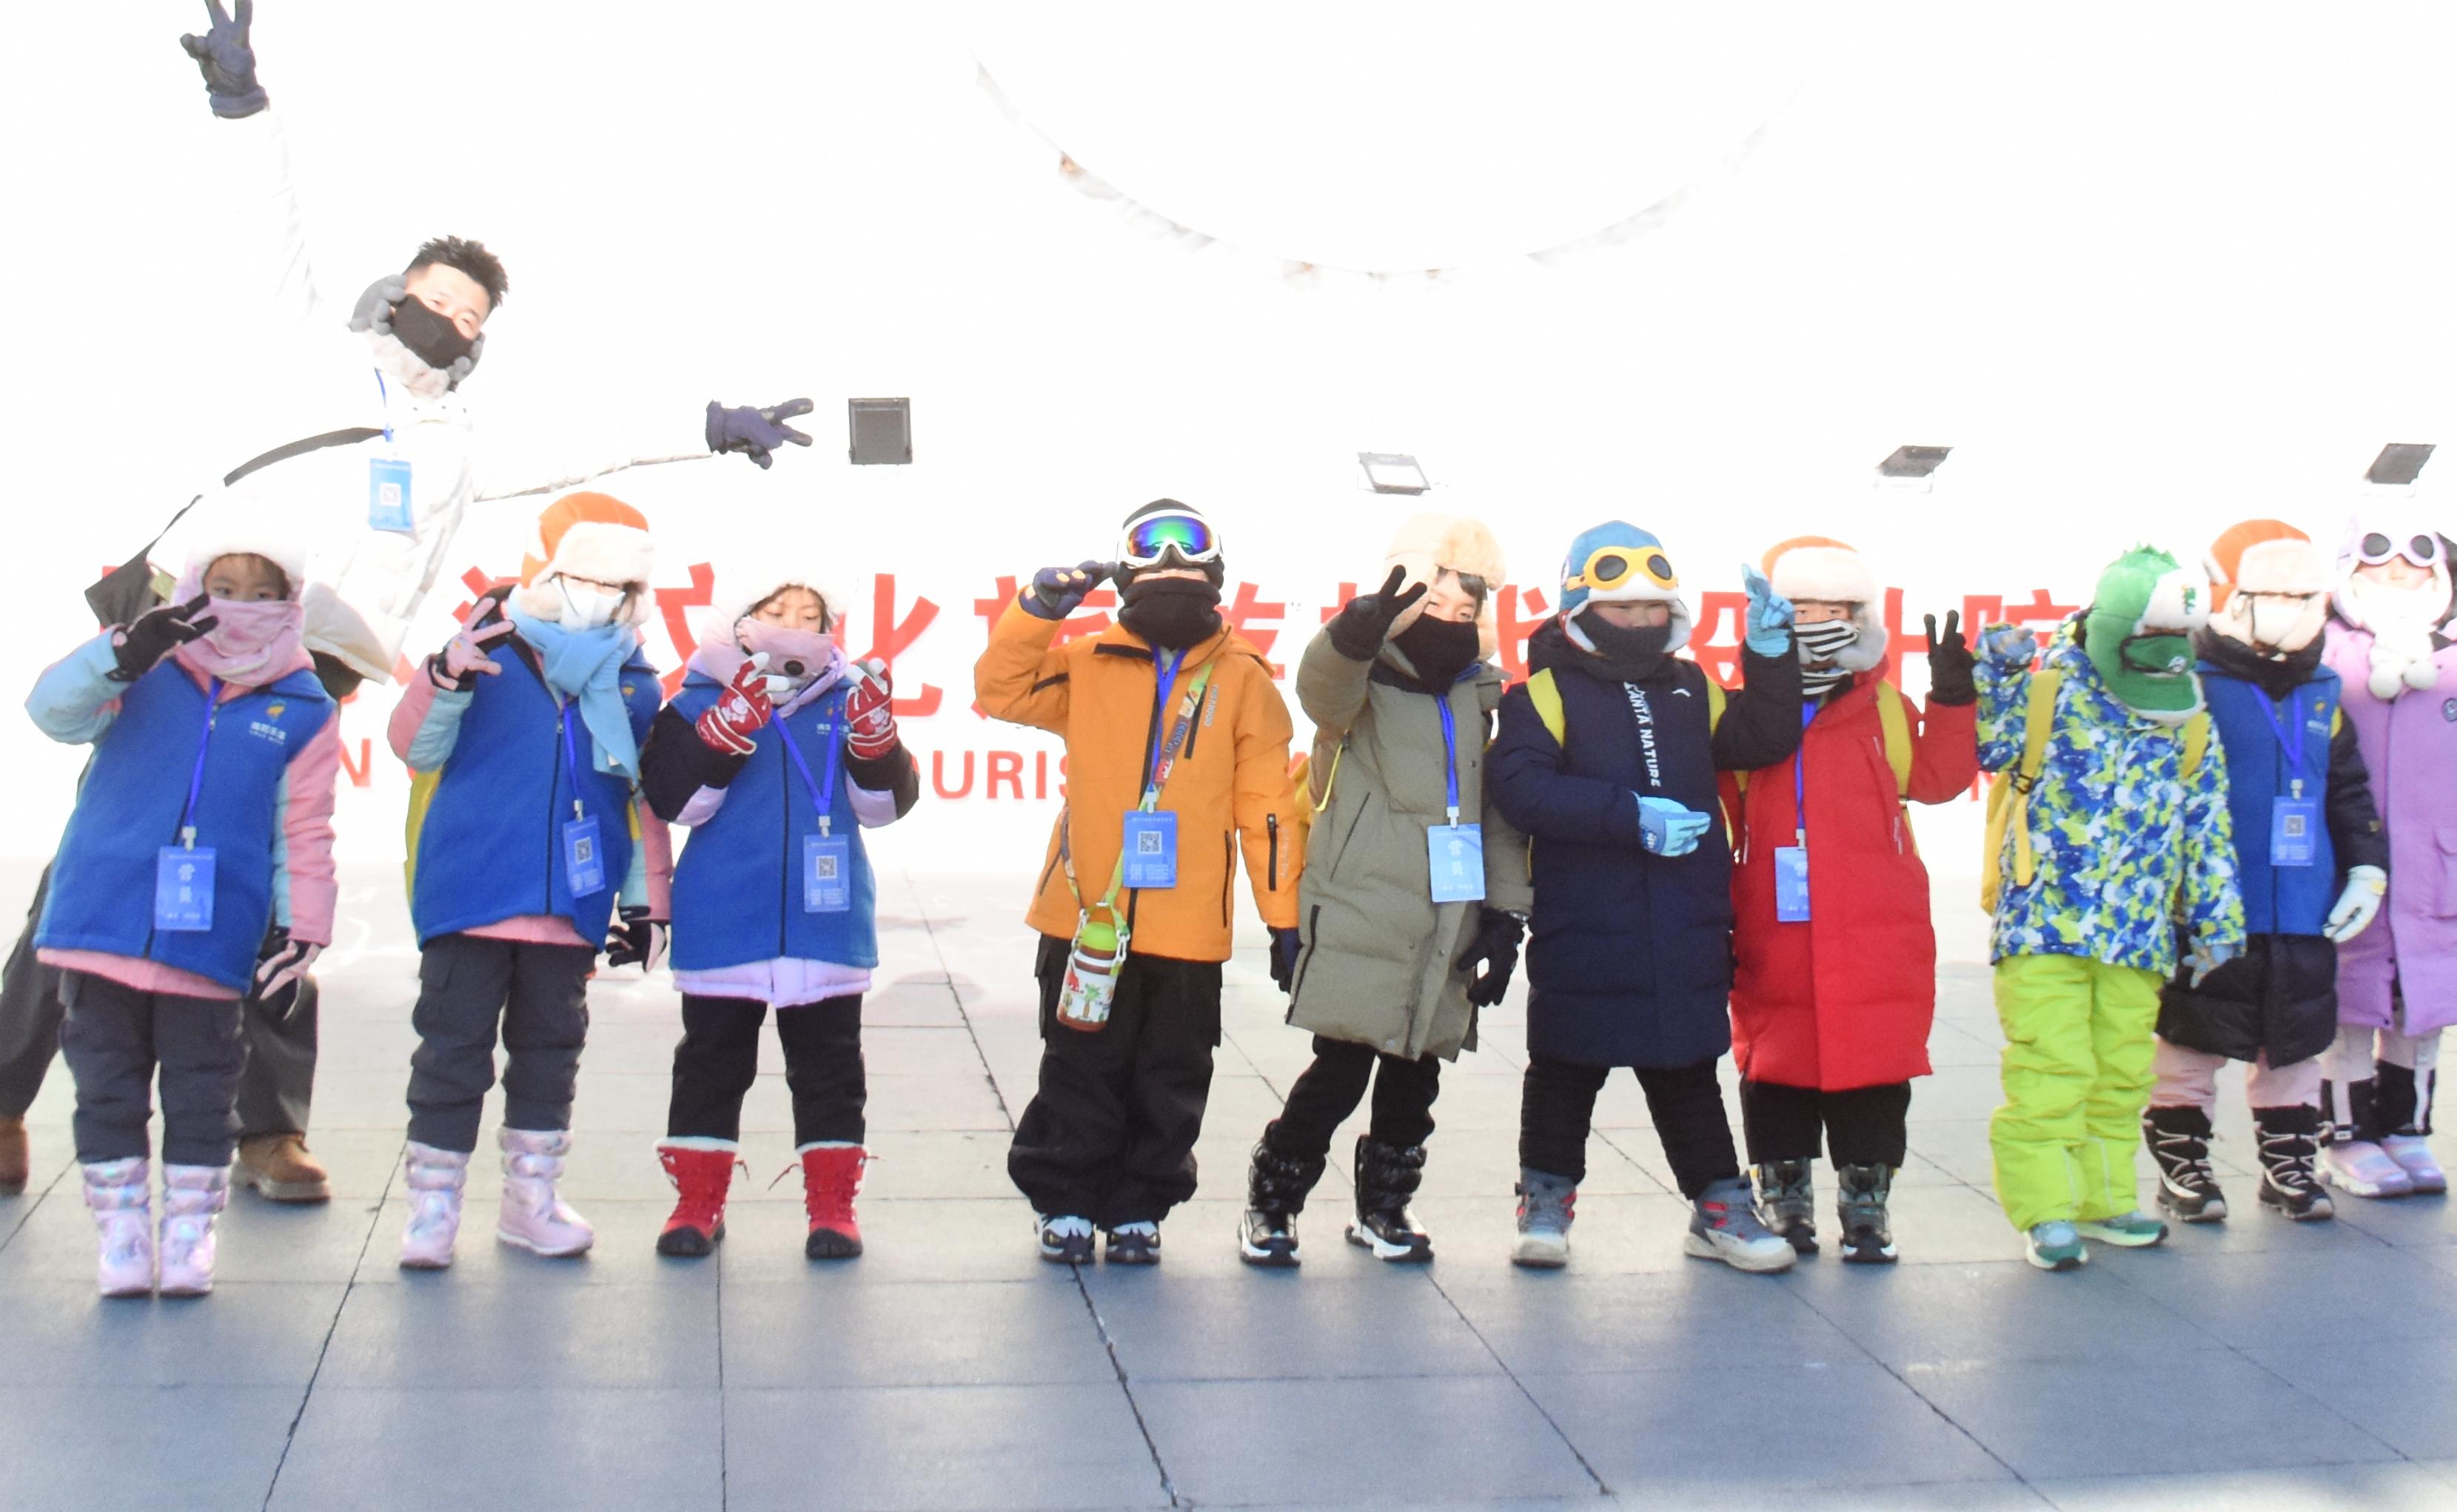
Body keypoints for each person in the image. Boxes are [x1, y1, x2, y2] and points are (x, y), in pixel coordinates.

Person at [0, 0, 814, 1204]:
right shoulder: (304, 356)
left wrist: (707, 427)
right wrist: (242, 105)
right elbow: (268, 227)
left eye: (473, 315)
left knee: (277, 867)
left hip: (310, 665)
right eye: (439, 296)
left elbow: (590, 438)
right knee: (102, 855)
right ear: (395, 296)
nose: (453, 318)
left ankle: (267, 1129)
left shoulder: (459, 442)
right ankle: (4, 1095)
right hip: (191, 632)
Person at [978, 500, 1305, 1265]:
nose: (1171, 563)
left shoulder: (1244, 678)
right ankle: (1064, 1198)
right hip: (1084, 913)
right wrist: (1036, 611)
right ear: (1123, 574)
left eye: (1189, 551)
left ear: (1216, 572)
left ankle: (1138, 1207)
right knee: (1078, 1064)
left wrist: (1285, 919)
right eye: (1151, 550)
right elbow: (1001, 689)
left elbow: (1267, 810)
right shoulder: (1087, 662)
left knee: (1171, 1074)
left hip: (1187, 926)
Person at [1486, 522, 1806, 1273]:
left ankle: (1719, 1208)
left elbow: (1762, 737)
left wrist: (1769, 653)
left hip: (1684, 921)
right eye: (1620, 606)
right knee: (1564, 1067)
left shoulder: (1692, 686)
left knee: (1687, 1069)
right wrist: (1626, 815)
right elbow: (1521, 787)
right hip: (1584, 921)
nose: (1638, 619)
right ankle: (1545, 1200)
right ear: (1580, 608)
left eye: (1652, 606)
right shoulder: (1541, 694)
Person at [28, 536, 338, 1294]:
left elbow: (304, 827)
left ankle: (191, 1233)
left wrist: (303, 926)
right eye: (223, 587)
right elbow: (53, 712)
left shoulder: (304, 705)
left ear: (289, 603)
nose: (241, 605)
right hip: (102, 923)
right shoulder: (146, 667)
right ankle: (123, 1234)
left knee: (204, 1093)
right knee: (106, 1089)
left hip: (210, 940)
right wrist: (120, 653)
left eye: (262, 593)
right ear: (194, 587)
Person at [383, 494, 669, 1269]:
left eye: (617, 585)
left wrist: (646, 903)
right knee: (450, 1052)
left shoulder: (635, 680)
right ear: (548, 570)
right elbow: (415, 748)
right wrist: (445, 677)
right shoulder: (486, 646)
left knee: (550, 1053)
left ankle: (530, 1201)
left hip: (570, 905)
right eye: (586, 577)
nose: (599, 596)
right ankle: (432, 1208)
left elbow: (639, 798)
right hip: (470, 894)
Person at [1239, 514, 1529, 1266]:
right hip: (1363, 906)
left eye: (1465, 610)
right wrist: (1352, 633)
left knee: (1415, 1078)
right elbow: (1320, 689)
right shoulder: (1364, 681)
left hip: (1447, 916)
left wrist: (1505, 915)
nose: (1449, 621)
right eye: (1434, 604)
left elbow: (1496, 816)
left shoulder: (1482, 694)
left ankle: (1385, 1208)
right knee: (1337, 1073)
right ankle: (1272, 1204)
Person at [1976, 544, 2246, 1271]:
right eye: (2150, 636)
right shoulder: (2049, 688)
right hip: (2044, 924)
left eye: (2178, 639)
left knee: (2122, 1072)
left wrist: (2218, 921)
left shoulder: (2187, 713)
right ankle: (2045, 1208)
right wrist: (1997, 672)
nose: (2167, 652)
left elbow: (2205, 822)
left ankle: (2102, 1199)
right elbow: (1991, 747)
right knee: (2050, 1068)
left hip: (2138, 932)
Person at [640, 568, 920, 1260]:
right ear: (741, 623)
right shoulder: (693, 700)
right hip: (724, 916)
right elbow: (678, 804)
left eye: (809, 615)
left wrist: (877, 745)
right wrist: (722, 732)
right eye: (776, 610)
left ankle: (833, 1209)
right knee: (709, 1064)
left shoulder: (852, 697)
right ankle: (695, 1205)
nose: (794, 626)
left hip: (826, 921)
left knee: (830, 1068)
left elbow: (881, 808)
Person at [1726, 537, 1979, 1264]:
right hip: (1775, 921)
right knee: (1775, 1065)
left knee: (1875, 1066)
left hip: (1877, 927)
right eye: (1802, 609)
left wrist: (1952, 700)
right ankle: (1784, 1197)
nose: (1819, 623)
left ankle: (1866, 1204)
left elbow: (1936, 779)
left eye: (1834, 610)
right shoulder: (1745, 710)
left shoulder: (1886, 708)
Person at [2143, 522, 2387, 1223]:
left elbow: (2347, 791)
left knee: (2295, 1041)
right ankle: (2183, 1166)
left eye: (2303, 598)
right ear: (2239, 598)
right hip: (2214, 900)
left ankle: (2288, 1164)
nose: (2288, 609)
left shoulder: (2324, 688)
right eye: (2273, 596)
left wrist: (2366, 867)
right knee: (2190, 1037)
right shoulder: (2195, 680)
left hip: (2303, 903)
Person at [2315, 504, 2454, 1198]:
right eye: (2381, 560)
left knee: (2420, 1000)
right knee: (2350, 998)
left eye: (2415, 562)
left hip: (2436, 864)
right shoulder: (2324, 651)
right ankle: (2346, 1134)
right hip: (2348, 856)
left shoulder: (2450, 655)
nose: (2399, 573)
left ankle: (2406, 1126)